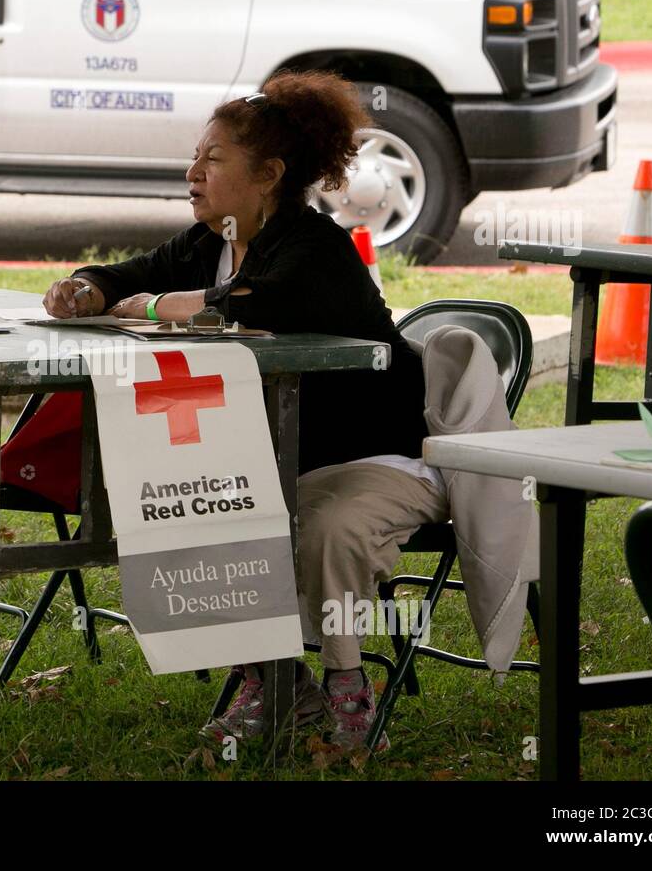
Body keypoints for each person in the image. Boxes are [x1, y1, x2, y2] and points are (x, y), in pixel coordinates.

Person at [42, 70, 448, 753]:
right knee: (185, 499)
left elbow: (239, 307)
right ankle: (276, 680)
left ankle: (348, 689)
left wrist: (142, 306)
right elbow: (130, 273)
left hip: (379, 458)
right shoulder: (209, 241)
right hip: (283, 457)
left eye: (214, 158)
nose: (193, 171)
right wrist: (85, 289)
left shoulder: (314, 246)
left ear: (268, 175)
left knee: (325, 530)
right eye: (196, 157)